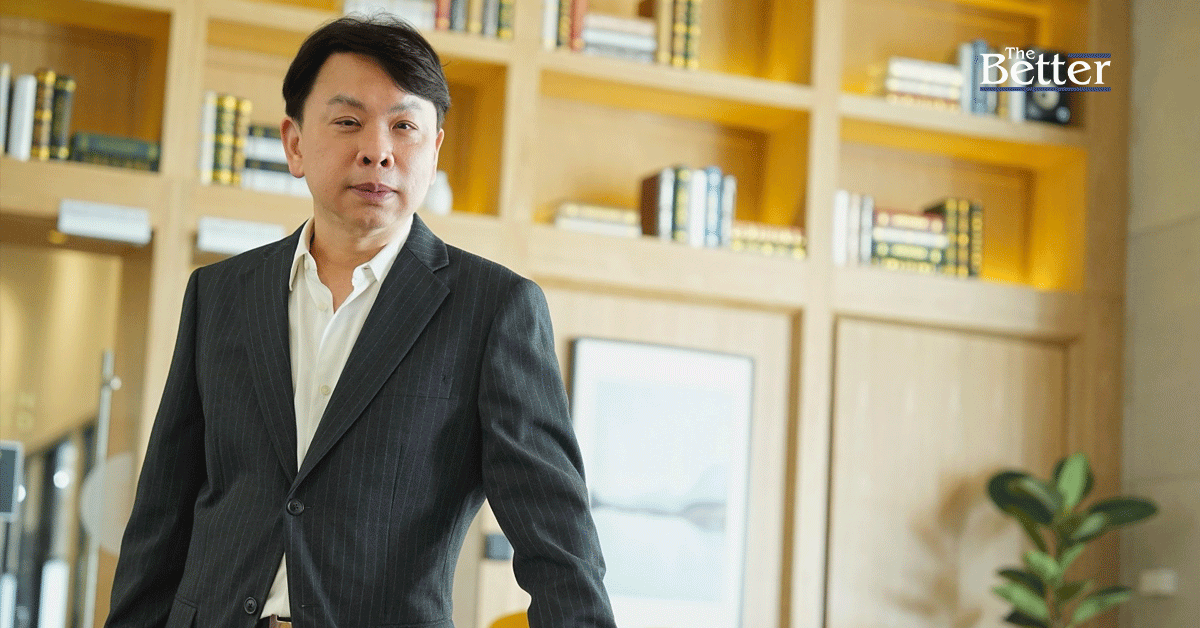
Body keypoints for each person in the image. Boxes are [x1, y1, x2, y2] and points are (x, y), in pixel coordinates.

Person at [106, 15, 616, 628]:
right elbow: (161, 519)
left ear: (434, 150)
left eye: (404, 126)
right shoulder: (219, 295)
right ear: (295, 143)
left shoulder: (494, 310)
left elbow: (559, 547)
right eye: (348, 122)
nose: (378, 150)